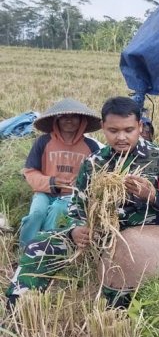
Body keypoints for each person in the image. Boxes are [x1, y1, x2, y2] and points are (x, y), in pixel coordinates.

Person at [5, 96, 159, 309]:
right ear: (102, 127)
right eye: (113, 130)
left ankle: (115, 315)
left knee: (118, 276)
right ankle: (16, 310)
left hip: (142, 234)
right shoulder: (93, 162)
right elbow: (77, 206)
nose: (121, 137)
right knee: (40, 246)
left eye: (128, 130)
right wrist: (75, 229)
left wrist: (152, 195)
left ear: (139, 126)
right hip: (99, 233)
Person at [19, 98, 101, 248]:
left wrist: (82, 183)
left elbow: (97, 176)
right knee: (36, 214)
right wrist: (51, 182)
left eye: (74, 117)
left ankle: (46, 247)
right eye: (64, 117)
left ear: (82, 120)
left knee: (58, 211)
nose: (69, 120)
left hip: (72, 196)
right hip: (44, 192)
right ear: (56, 120)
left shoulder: (91, 146)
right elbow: (30, 172)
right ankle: (24, 249)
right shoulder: (43, 142)